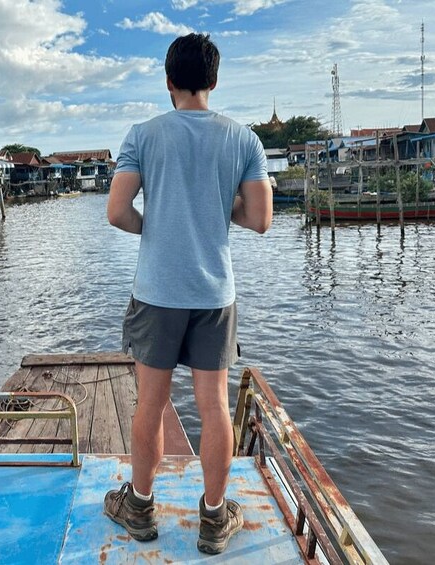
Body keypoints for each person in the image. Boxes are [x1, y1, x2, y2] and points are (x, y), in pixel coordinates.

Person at [104, 33, 272, 555]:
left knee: (150, 406)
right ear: (214, 82)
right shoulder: (243, 140)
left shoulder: (143, 134)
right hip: (213, 293)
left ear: (169, 81)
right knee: (214, 407)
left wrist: (154, 227)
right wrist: (215, 212)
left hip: (157, 292)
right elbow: (261, 219)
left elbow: (116, 211)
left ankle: (140, 508)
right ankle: (215, 518)